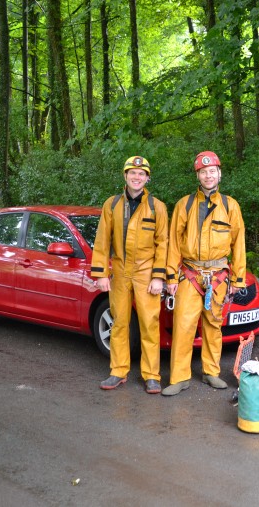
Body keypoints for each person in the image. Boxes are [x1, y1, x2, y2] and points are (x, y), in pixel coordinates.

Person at [161, 151, 246, 396]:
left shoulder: (230, 206)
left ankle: (211, 372)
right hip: (189, 274)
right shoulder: (184, 205)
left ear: (219, 174)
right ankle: (179, 377)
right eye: (203, 172)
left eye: (212, 171)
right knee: (184, 325)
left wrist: (237, 279)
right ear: (197, 175)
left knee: (213, 325)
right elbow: (173, 243)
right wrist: (170, 277)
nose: (208, 175)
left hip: (218, 275)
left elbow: (239, 243)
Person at [91, 156, 169, 394]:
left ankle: (151, 375)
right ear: (125, 176)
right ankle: (118, 370)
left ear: (147, 178)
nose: (137, 177)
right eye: (132, 173)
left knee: (149, 324)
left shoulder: (158, 207)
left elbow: (163, 244)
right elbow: (102, 241)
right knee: (119, 323)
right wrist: (102, 273)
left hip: (146, 272)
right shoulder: (111, 205)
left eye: (141, 174)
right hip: (120, 270)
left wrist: (158, 277)